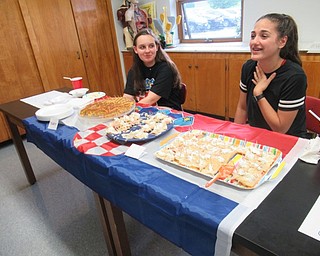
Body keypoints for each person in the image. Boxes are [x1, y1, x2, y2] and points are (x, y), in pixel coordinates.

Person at [234, 13, 308, 138]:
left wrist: (259, 93)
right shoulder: (248, 67)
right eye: (253, 36)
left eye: (263, 36)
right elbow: (242, 108)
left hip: (288, 140)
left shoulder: (295, 76)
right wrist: (235, 136)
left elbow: (280, 129)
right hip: (257, 136)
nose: (254, 42)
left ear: (282, 41)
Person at [123, 28, 184, 110]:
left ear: (157, 47)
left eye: (151, 46)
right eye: (142, 47)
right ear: (135, 49)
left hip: (169, 114)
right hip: (145, 112)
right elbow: (127, 97)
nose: (147, 51)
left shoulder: (166, 68)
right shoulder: (134, 71)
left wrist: (131, 110)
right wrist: (122, 109)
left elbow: (151, 99)